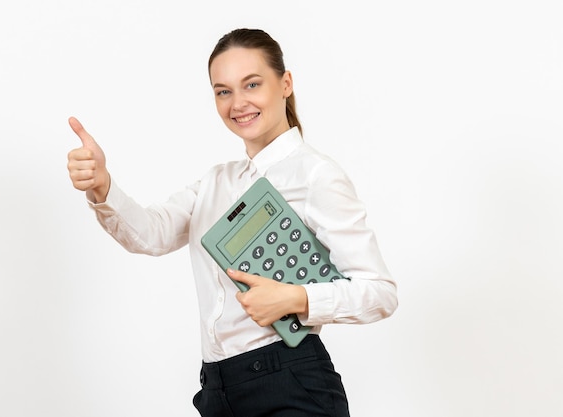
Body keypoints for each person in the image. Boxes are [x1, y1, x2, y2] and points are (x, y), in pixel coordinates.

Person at [67, 28, 397, 417]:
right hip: (217, 391)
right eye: (223, 91)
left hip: (290, 383)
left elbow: (380, 293)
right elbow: (150, 235)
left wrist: (296, 299)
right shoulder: (216, 182)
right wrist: (103, 187)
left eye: (252, 84)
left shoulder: (316, 175)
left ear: (285, 83)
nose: (237, 103)